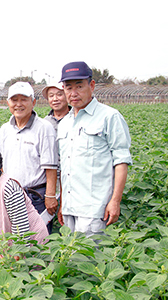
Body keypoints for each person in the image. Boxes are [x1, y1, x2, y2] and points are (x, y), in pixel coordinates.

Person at [57, 61, 132, 237]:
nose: (73, 93)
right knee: (70, 260)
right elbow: (64, 165)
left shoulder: (109, 117)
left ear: (91, 86)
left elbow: (121, 161)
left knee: (88, 260)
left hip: (94, 208)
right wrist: (63, 204)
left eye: (79, 86)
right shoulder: (64, 123)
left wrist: (115, 201)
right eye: (68, 88)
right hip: (69, 209)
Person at [0, 82, 58, 233]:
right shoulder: (5, 129)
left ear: (33, 102)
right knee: (14, 240)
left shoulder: (44, 128)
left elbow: (50, 166)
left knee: (37, 240)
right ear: (8, 103)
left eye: (24, 99)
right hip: (11, 195)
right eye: (14, 100)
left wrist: (50, 196)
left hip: (35, 196)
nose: (18, 104)